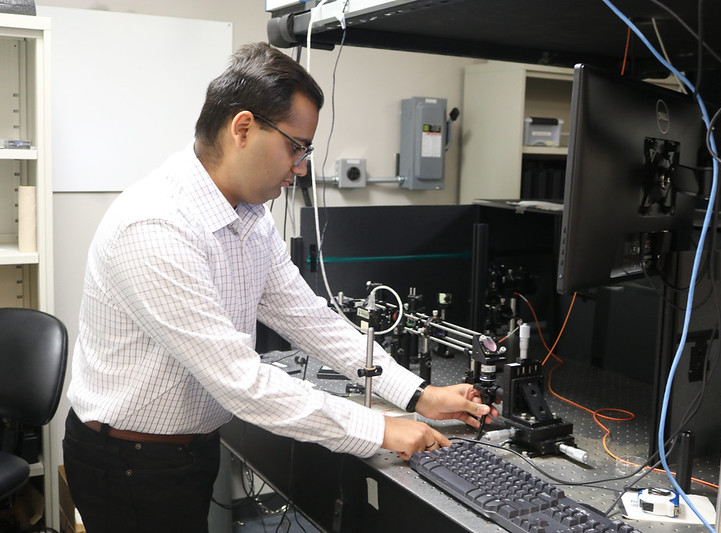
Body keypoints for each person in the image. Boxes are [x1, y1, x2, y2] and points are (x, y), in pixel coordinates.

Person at [63, 41, 498, 533]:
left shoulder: (250, 216)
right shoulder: (155, 226)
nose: (302, 167)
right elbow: (242, 382)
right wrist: (379, 428)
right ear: (243, 128)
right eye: (296, 146)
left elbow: (308, 318)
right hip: (128, 463)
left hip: (188, 450)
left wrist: (416, 395)